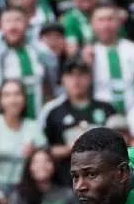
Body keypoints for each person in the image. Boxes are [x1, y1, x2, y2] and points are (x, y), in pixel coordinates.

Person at [42, 56, 117, 185]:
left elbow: (119, 144)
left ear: (90, 78)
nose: (76, 80)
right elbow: (48, 151)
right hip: (67, 181)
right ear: (63, 79)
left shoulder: (107, 109)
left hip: (104, 182)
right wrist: (72, 148)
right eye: (70, 75)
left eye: (81, 74)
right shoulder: (54, 113)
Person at [90, 2, 134, 115]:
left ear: (119, 22)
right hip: (100, 118)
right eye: (101, 20)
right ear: (92, 24)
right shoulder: (88, 52)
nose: (106, 25)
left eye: (110, 19)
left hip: (133, 116)